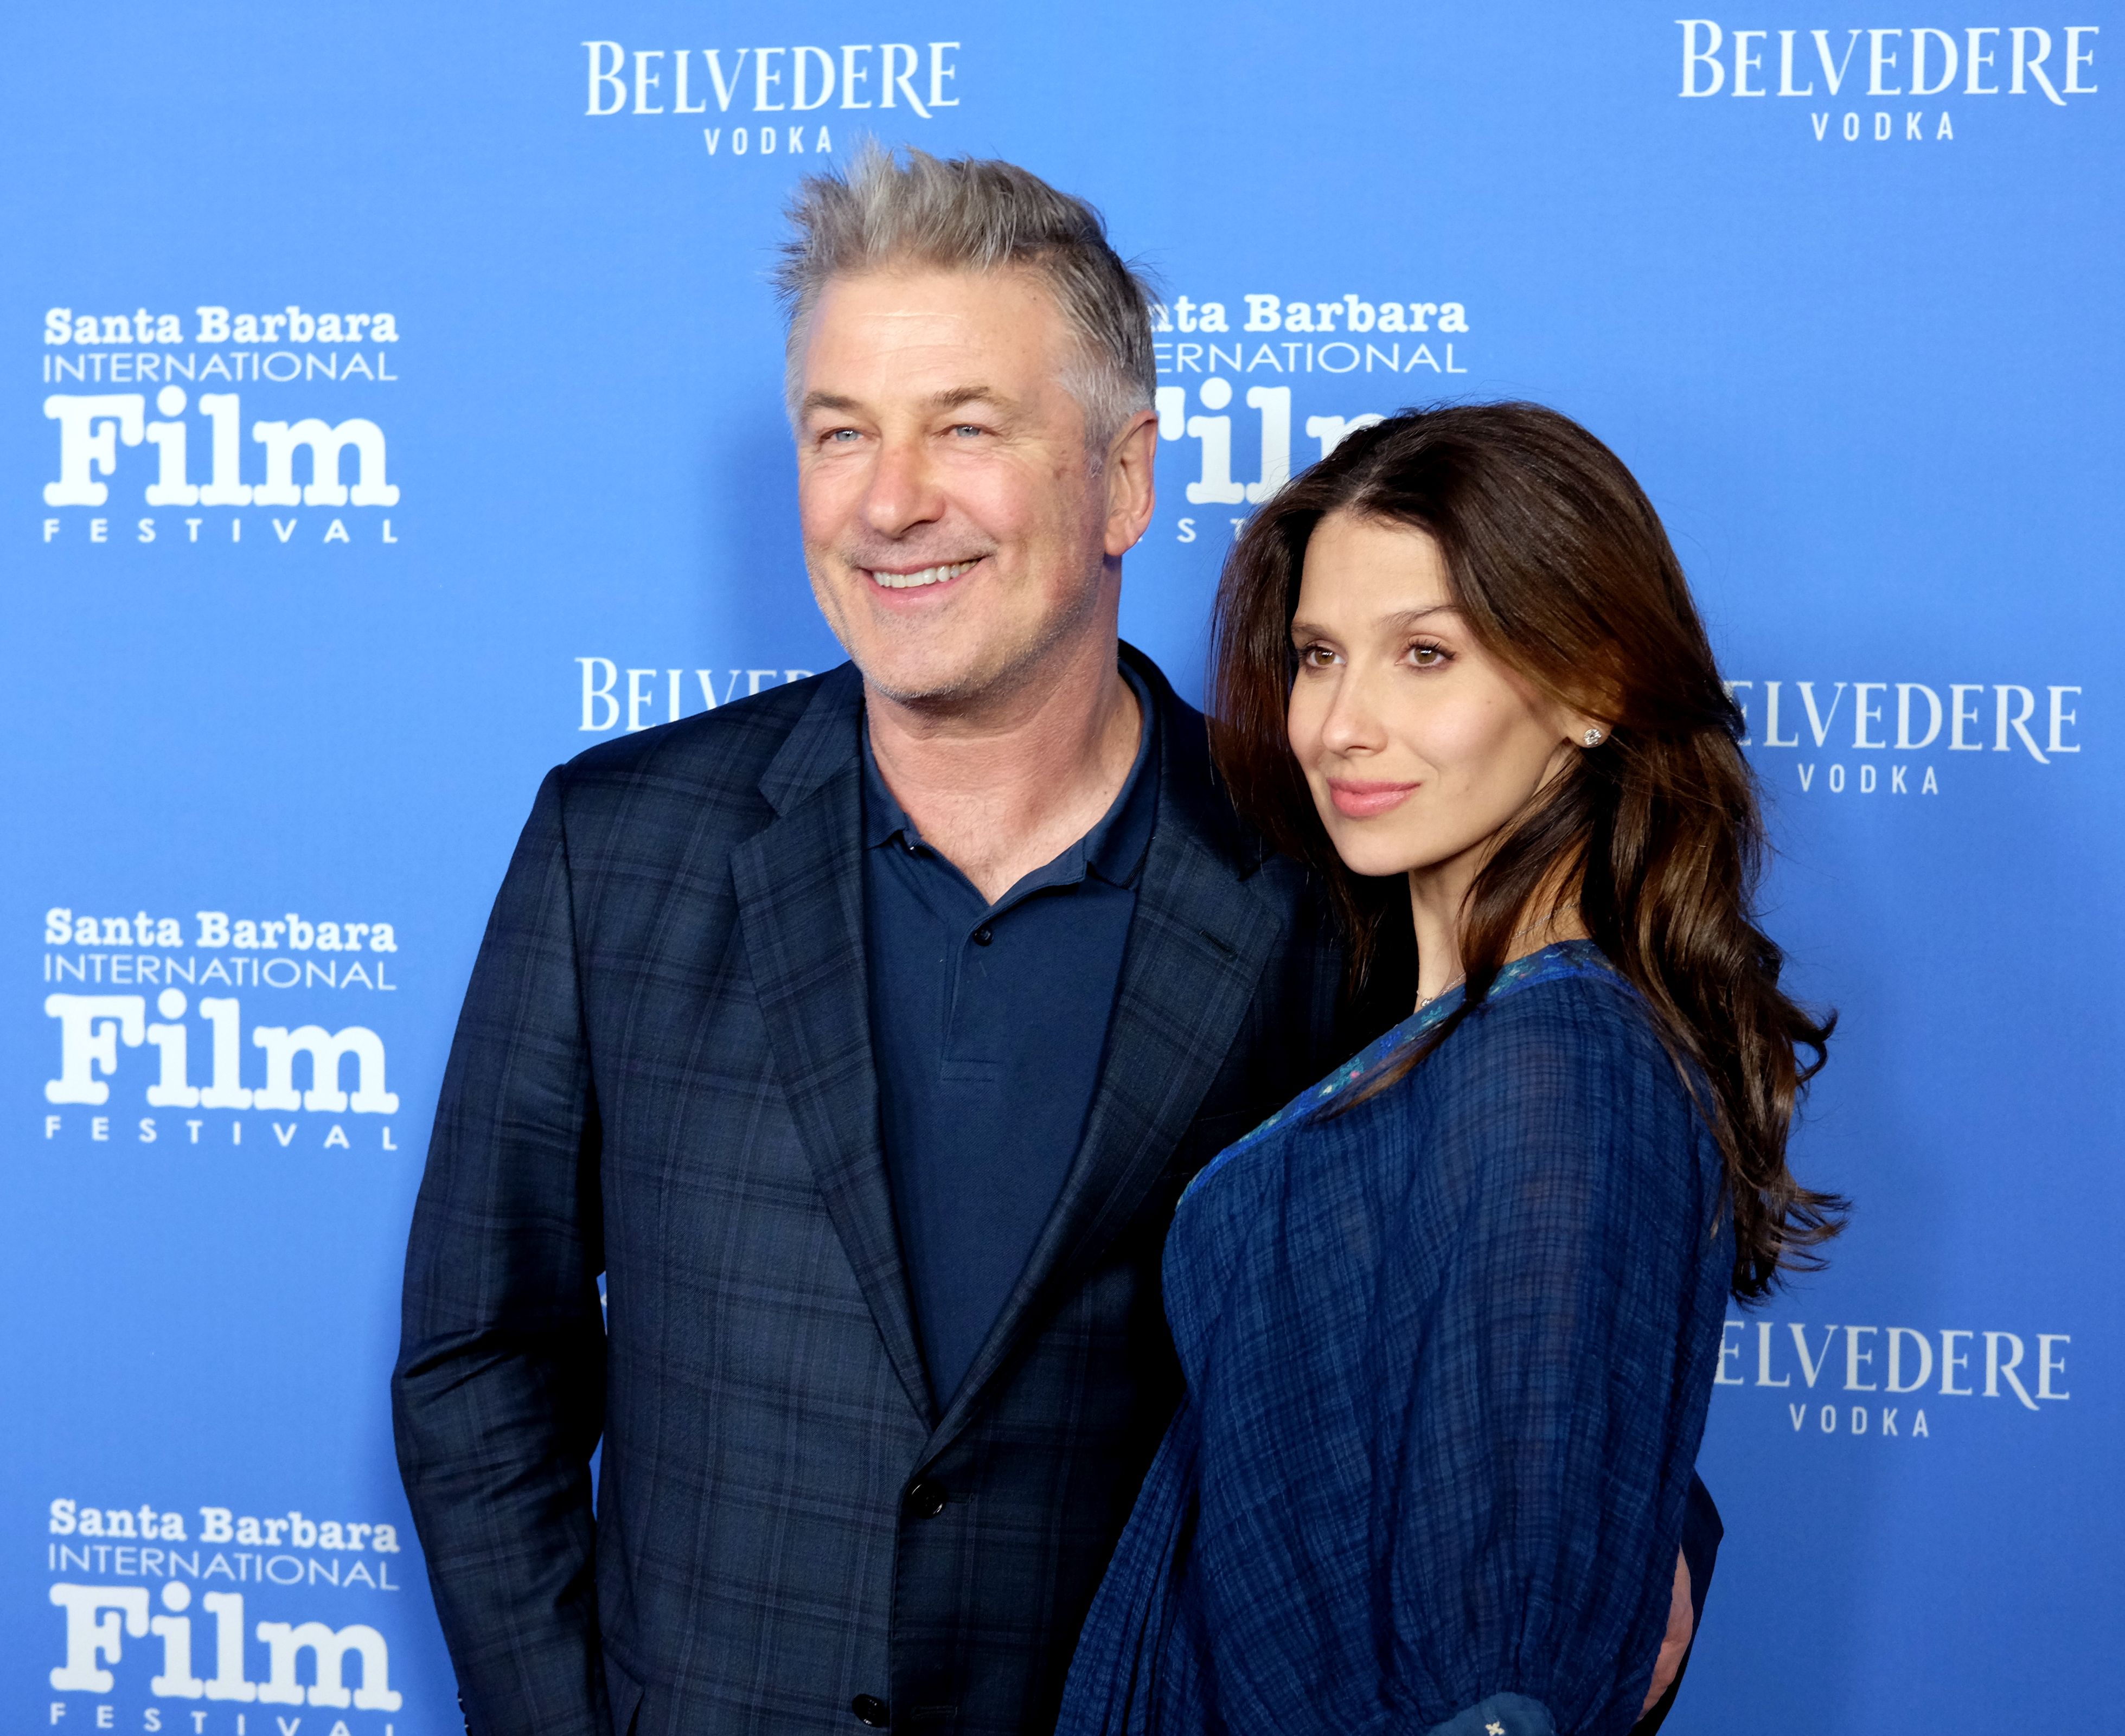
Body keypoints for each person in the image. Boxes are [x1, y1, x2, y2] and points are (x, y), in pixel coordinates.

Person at [393, 146, 1706, 1736]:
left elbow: (1481, 1297)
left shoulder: (1317, 878)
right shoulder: (616, 847)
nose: (892, 500)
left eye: (964, 426)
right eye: (840, 435)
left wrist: (1654, 1543)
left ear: (1125, 480)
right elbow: (479, 1358)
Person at [1058, 405, 1844, 1736]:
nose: (1343, 725)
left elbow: (1495, 1672)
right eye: (1318, 655)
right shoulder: (1460, 1036)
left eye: (1427, 654)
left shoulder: (1555, 1075)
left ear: (1592, 686)